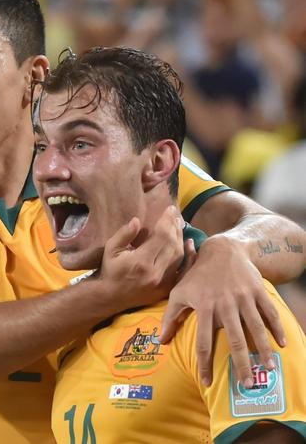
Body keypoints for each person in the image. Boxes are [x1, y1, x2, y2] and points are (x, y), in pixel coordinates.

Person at [0, 0, 306, 444]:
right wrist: (109, 291)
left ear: (34, 78)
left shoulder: (109, 171)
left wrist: (229, 251)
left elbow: (284, 236)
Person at [33, 46, 306, 444]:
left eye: (80, 144)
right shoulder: (81, 317)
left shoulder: (226, 301)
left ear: (159, 163)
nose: (46, 169)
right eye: (41, 146)